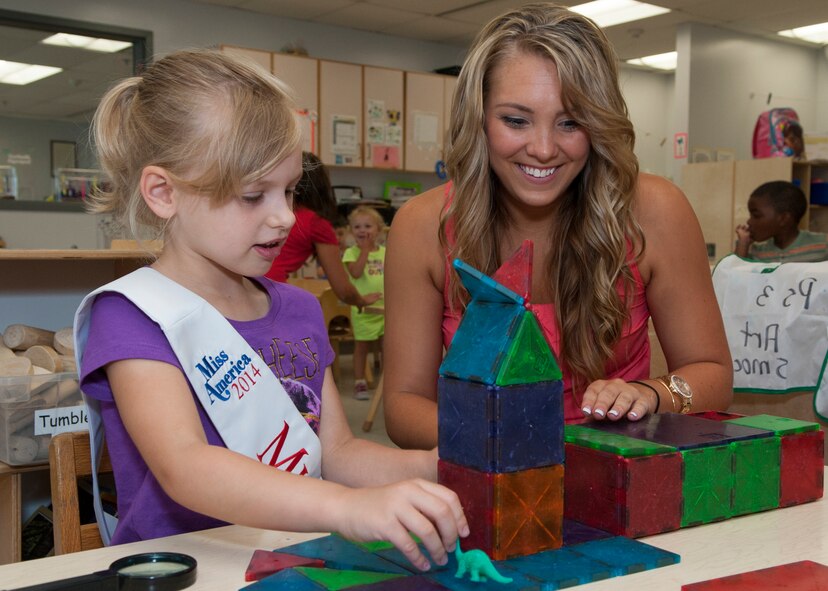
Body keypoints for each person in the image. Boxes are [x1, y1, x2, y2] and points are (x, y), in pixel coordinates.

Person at [74, 49, 467, 571]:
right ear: (164, 193)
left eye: (289, 190)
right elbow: (186, 467)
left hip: (291, 561)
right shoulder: (131, 317)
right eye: (253, 195)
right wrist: (347, 507)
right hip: (183, 570)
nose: (284, 217)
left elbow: (338, 452)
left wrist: (440, 467)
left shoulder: (301, 310)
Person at [382, 3, 733, 450]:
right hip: (489, 470)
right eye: (516, 120)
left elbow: (713, 376)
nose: (544, 149)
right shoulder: (422, 225)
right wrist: (502, 440)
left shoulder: (655, 210)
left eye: (571, 122)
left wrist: (650, 394)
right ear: (479, 118)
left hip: (621, 480)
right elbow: (403, 405)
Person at [266, 152, 380, 309]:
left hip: (245, 285)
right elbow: (343, 290)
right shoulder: (316, 223)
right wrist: (361, 301)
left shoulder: (271, 212)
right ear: (321, 187)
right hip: (269, 292)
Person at [343, 206, 386, 400]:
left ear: (378, 229)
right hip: (362, 309)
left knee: (387, 346)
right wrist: (365, 252)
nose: (362, 230)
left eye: (368, 226)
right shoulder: (351, 253)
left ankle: (387, 382)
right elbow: (356, 273)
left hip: (384, 308)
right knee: (361, 346)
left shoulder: (386, 252)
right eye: (357, 226)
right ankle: (359, 382)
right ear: (351, 231)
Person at [735, 180, 828, 262]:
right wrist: (743, 244)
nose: (749, 222)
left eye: (756, 216)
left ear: (783, 219)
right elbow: (734, 277)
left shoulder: (822, 245)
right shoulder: (755, 251)